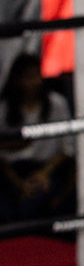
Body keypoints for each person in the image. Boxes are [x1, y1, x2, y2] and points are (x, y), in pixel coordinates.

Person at [0, 53, 75, 223]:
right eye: (26, 77)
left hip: (47, 170)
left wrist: (44, 174)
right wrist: (18, 183)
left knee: (32, 206)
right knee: (7, 211)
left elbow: (69, 147)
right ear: (16, 79)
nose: (31, 82)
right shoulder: (4, 108)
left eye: (35, 76)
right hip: (11, 173)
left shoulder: (56, 104)